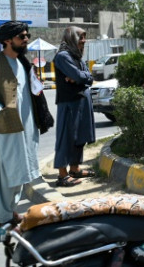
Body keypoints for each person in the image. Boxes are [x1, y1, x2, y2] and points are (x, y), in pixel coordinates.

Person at [0, 22, 41, 225]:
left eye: (26, 35)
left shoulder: (23, 63)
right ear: (7, 40)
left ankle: (11, 210)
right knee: (5, 172)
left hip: (26, 124)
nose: (26, 39)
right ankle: (2, 216)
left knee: (21, 169)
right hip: (5, 126)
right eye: (21, 36)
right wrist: (0, 112)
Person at [53, 26, 96, 187]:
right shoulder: (63, 56)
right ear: (71, 38)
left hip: (81, 102)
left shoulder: (76, 56)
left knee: (80, 138)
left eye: (84, 37)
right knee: (66, 138)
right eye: (80, 37)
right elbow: (80, 75)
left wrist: (80, 77)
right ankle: (62, 175)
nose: (84, 41)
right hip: (69, 103)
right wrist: (80, 77)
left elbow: (89, 78)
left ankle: (75, 169)